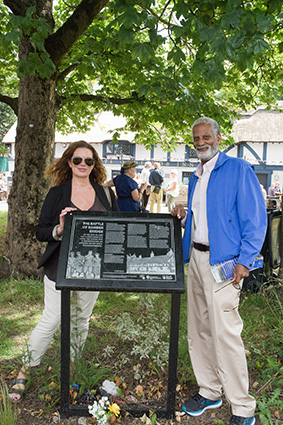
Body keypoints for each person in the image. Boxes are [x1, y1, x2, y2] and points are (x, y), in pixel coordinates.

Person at [171, 117, 267, 425]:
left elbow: (256, 219)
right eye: (196, 138)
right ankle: (210, 391)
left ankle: (242, 407)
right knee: (198, 329)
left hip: (225, 263)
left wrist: (246, 259)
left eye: (205, 137)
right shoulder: (196, 176)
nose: (200, 142)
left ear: (218, 137)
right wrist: (186, 218)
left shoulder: (239, 169)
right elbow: (208, 220)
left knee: (226, 334)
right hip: (197, 262)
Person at [9, 140, 119, 402]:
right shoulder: (57, 193)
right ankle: (23, 371)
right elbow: (40, 231)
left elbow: (117, 229)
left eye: (88, 161)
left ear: (95, 165)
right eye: (78, 160)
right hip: (60, 268)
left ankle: (72, 372)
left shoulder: (106, 194)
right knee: (52, 318)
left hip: (93, 271)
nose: (83, 165)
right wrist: (59, 229)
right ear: (69, 162)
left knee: (81, 321)